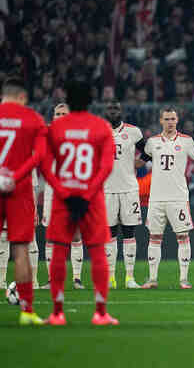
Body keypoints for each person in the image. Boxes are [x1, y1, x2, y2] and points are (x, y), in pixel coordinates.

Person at [42, 80, 118, 325]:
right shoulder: (101, 127)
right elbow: (106, 166)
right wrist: (87, 195)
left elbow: (44, 164)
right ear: (90, 101)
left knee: (59, 252)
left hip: (63, 198)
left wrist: (63, 192)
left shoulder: (56, 127)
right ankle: (101, 313)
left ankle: (57, 313)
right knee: (97, 252)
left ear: (69, 100)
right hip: (92, 199)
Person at [0, 76, 47, 325]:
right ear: (22, 97)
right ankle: (27, 312)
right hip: (19, 189)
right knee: (20, 250)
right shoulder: (32, 119)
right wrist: (14, 176)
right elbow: (39, 155)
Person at [141, 106, 194, 289]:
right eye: (166, 119)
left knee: (183, 236)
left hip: (178, 197)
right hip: (157, 198)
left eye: (172, 119)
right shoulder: (151, 142)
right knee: (154, 237)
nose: (170, 122)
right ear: (161, 121)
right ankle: (152, 279)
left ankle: (183, 279)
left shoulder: (187, 141)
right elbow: (141, 161)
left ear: (177, 120)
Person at [103, 100, 151, 289]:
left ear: (121, 111)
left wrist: (140, 163)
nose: (113, 111)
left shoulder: (133, 131)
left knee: (129, 232)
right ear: (106, 112)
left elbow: (148, 150)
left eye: (116, 108)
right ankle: (110, 277)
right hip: (107, 189)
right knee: (110, 233)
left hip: (129, 189)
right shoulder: (98, 131)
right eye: (110, 108)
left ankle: (130, 278)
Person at [40, 103, 85, 291]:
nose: (60, 116)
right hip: (52, 190)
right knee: (51, 236)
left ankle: (76, 279)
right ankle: (52, 279)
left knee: (75, 235)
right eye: (57, 113)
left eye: (64, 113)